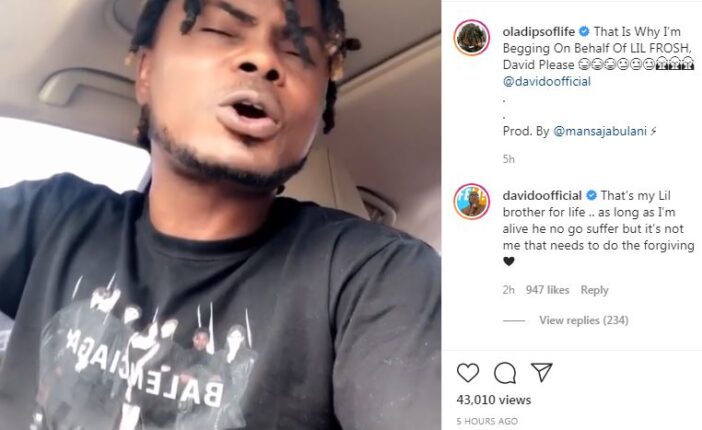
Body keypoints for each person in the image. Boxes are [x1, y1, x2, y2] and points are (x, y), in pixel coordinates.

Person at [0, 0, 440, 429]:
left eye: (298, 51)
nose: (263, 60)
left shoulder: (378, 277)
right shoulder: (52, 218)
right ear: (146, 73)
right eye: (219, 30)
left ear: (319, 106)